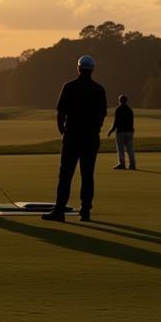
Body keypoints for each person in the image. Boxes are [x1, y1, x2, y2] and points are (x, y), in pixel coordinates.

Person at [42, 55, 107, 223]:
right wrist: (95, 129)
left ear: (78, 68)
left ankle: (59, 211)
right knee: (87, 175)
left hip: (72, 136)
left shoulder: (69, 87)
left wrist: (62, 130)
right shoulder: (99, 89)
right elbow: (102, 115)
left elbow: (60, 112)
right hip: (91, 138)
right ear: (92, 69)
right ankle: (85, 211)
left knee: (65, 175)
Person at [107, 94, 137, 170]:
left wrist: (111, 131)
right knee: (130, 149)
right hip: (129, 132)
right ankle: (132, 164)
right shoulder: (130, 110)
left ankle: (122, 164)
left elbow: (116, 122)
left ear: (120, 101)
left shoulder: (118, 109)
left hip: (120, 132)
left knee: (120, 150)